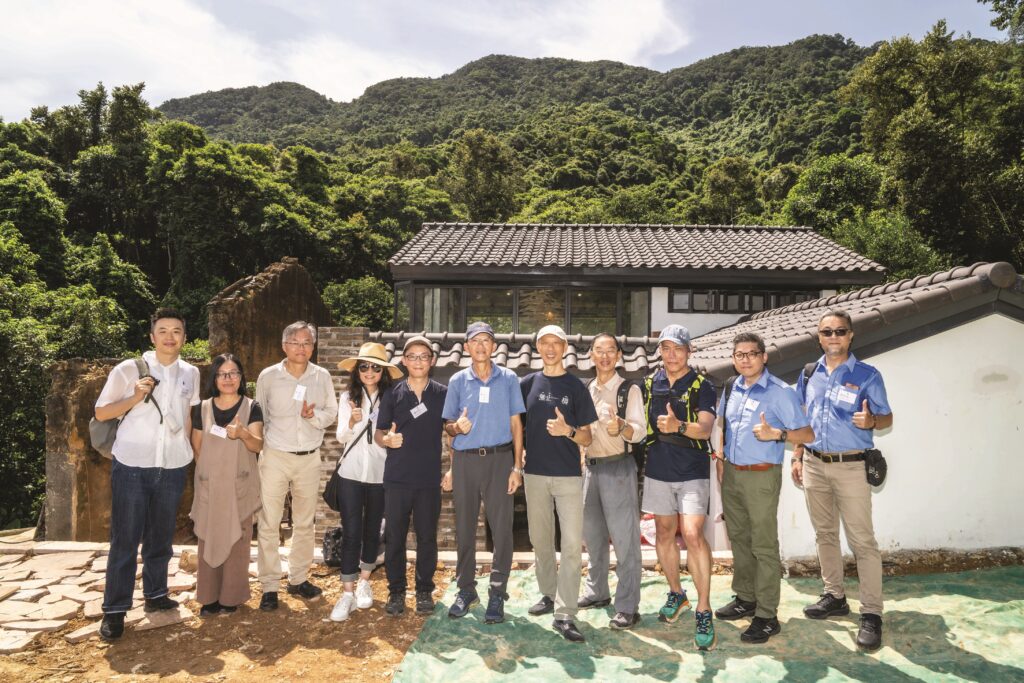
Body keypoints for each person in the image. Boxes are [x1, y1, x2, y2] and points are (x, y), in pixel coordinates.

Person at [94, 308, 201, 640]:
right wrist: (135, 396)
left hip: (171, 465)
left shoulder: (190, 372)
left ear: (184, 337)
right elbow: (101, 412)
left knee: (161, 537)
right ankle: (115, 610)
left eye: (177, 331)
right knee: (125, 539)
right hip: (132, 465)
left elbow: (187, 416)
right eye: (164, 330)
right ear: (152, 336)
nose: (170, 336)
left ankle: (155, 595)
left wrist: (188, 455)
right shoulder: (129, 369)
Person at [793, 309, 893, 651]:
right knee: (824, 534)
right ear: (818, 337)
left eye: (839, 331)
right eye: (826, 332)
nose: (833, 337)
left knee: (863, 541)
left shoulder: (867, 374)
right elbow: (800, 419)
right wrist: (796, 456)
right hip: (813, 464)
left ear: (851, 335)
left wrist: (872, 422)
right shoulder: (809, 374)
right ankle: (834, 596)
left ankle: (872, 613)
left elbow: (886, 415)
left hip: (851, 467)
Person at [713, 333, 813, 643]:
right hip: (731, 473)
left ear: (764, 357)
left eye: (752, 354)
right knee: (739, 539)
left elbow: (808, 434)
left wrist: (778, 435)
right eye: (739, 354)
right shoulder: (731, 387)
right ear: (734, 359)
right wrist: (719, 458)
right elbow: (722, 426)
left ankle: (767, 615)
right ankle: (746, 598)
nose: (745, 359)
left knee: (763, 545)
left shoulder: (781, 392)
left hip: (761, 476)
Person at [442, 321, 525, 624]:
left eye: (486, 340)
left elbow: (517, 424)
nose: (480, 346)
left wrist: (517, 466)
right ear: (466, 347)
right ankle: (466, 589)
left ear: (494, 346)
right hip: (465, 461)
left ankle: (497, 592)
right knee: (464, 527)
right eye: (474, 341)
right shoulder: (457, 381)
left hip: (500, 459)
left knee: (501, 528)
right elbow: (448, 428)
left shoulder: (509, 379)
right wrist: (456, 428)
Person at [641, 324, 718, 650]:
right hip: (658, 470)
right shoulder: (648, 383)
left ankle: (704, 607)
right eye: (666, 348)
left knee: (692, 534)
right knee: (662, 533)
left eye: (678, 348)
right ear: (660, 350)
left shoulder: (703, 385)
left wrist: (678, 425)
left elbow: (704, 430)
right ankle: (677, 593)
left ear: (689, 351)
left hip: (691, 471)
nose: (672, 354)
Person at [255, 321, 339, 611]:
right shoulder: (268, 377)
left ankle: (298, 578)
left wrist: (312, 419)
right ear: (284, 345)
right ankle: (269, 585)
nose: (301, 347)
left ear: (313, 347)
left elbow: (332, 412)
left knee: (304, 522)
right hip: (275, 456)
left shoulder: (322, 376)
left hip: (309, 458)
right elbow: (260, 415)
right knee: (269, 522)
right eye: (295, 342)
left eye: (306, 343)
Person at [521, 325, 598, 643]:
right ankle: (548, 594)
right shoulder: (525, 384)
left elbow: (588, 437)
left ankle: (565, 613)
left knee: (569, 546)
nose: (551, 348)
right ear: (538, 347)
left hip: (568, 475)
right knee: (540, 540)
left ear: (566, 346)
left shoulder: (576, 387)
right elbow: (516, 429)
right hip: (534, 474)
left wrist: (567, 430)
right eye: (545, 343)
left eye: (557, 343)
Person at [374, 336, 447, 617]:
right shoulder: (392, 393)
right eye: (412, 356)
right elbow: (379, 432)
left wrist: (452, 468)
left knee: (427, 537)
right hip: (397, 479)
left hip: (429, 479)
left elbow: (450, 431)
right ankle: (396, 591)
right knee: (395, 537)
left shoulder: (442, 393)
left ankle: (424, 590)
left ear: (432, 361)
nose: (418, 361)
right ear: (404, 361)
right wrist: (386, 441)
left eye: (423, 356)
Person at [328, 342, 402, 622]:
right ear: (357, 370)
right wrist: (352, 422)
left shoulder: (392, 397)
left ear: (382, 371)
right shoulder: (348, 396)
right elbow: (340, 437)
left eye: (375, 367)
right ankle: (347, 593)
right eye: (364, 366)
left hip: (380, 474)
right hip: (350, 474)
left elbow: (395, 434)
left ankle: (364, 580)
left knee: (373, 531)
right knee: (351, 532)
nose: (369, 371)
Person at [579, 333, 646, 630]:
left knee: (625, 540)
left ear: (619, 355)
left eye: (610, 351)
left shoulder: (627, 389)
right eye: (599, 351)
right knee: (592, 537)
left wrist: (622, 426)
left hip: (618, 468)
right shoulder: (586, 390)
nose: (604, 356)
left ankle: (628, 605)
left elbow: (640, 432)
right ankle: (597, 592)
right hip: (590, 469)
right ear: (591, 355)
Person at [189, 353, 264, 617]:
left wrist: (243, 433)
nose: (228, 378)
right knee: (207, 536)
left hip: (239, 483)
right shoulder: (202, 408)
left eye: (234, 373)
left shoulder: (252, 407)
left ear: (241, 378)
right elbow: (196, 447)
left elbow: (257, 444)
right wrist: (213, 472)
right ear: (215, 378)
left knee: (238, 541)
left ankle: (231, 597)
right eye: (223, 373)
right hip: (211, 484)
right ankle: (208, 598)